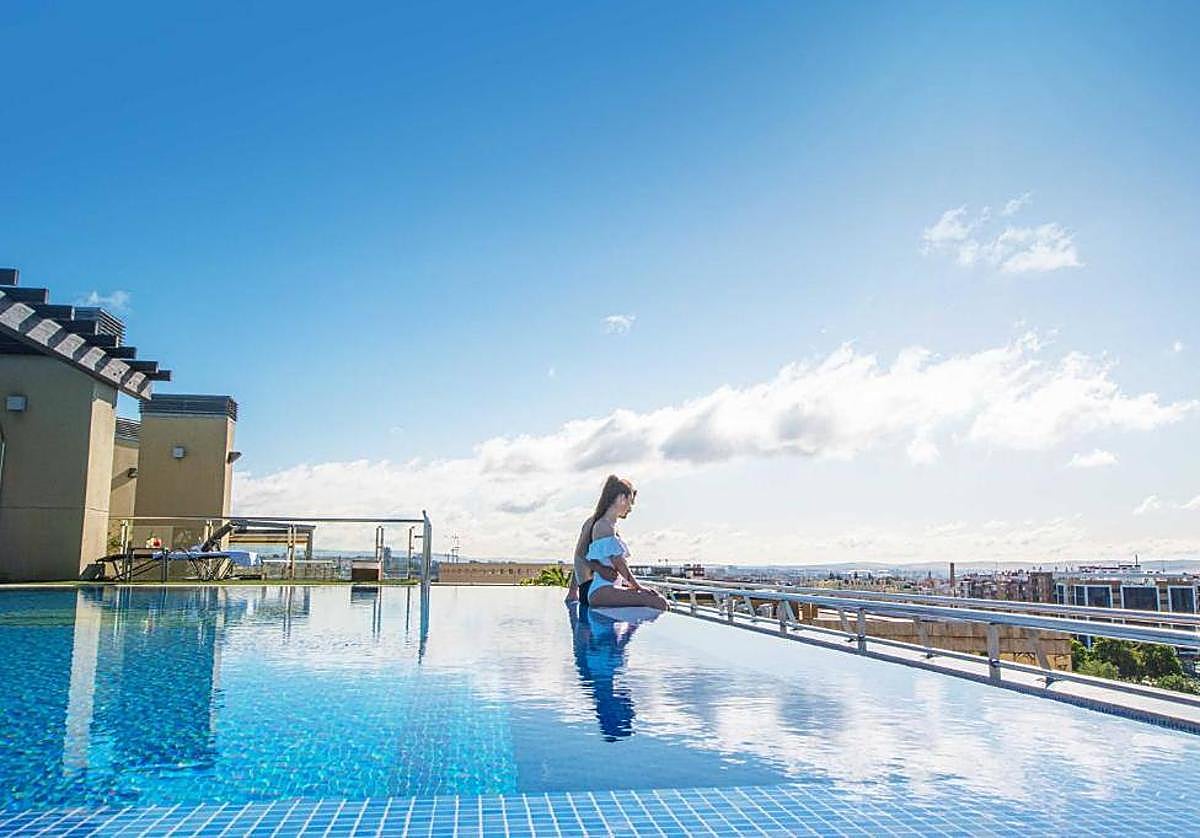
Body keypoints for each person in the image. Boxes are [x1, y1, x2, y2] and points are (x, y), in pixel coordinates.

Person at [582, 475, 669, 610]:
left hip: (607, 588)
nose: (630, 508)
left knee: (658, 601)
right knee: (659, 602)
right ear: (622, 498)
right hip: (602, 591)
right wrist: (638, 587)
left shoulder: (610, 526)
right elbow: (618, 563)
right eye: (630, 502)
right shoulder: (604, 526)